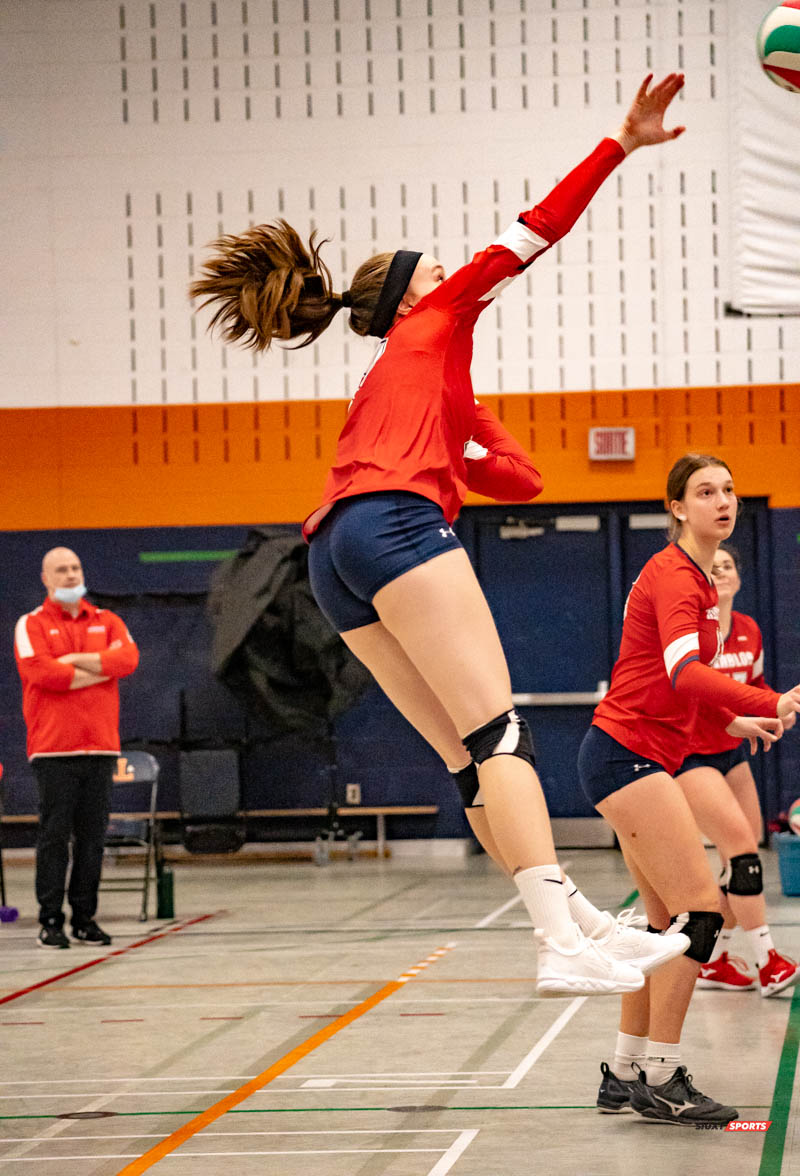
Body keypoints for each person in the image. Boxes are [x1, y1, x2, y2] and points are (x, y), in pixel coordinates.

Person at [191, 74, 693, 998]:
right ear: (409, 294)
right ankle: (558, 942)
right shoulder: (435, 317)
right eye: (433, 268)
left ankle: (578, 923)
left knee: (467, 757)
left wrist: (470, 430)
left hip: (334, 554)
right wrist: (618, 144)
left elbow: (522, 479)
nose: (450, 270)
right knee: (500, 731)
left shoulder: (407, 376)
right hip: (394, 528)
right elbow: (537, 230)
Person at [581, 454, 800, 1124]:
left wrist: (737, 717)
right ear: (677, 507)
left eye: (730, 490)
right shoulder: (677, 576)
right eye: (705, 492)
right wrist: (764, 696)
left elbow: (666, 680)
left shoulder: (696, 580)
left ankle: (622, 1070)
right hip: (628, 757)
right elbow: (682, 671)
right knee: (699, 915)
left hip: (632, 754)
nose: (723, 501)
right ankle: (662, 1074)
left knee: (657, 926)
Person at [677, 542, 799, 996]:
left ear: (738, 577)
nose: (721, 571)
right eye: (713, 566)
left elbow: (758, 686)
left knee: (739, 861)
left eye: (728, 565)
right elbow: (690, 691)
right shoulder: (692, 632)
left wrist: (776, 710)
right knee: (743, 853)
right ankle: (768, 962)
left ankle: (714, 960)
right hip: (691, 753)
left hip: (732, 753)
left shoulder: (749, 629)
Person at [14, 547, 140, 948]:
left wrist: (73, 661)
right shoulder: (30, 624)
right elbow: (42, 672)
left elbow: (128, 660)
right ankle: (50, 920)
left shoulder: (108, 620)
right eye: (61, 570)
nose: (70, 575)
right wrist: (97, 671)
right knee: (54, 836)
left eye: (75, 568)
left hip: (100, 747)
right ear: (45, 578)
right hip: (54, 749)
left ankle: (85, 918)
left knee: (92, 839)